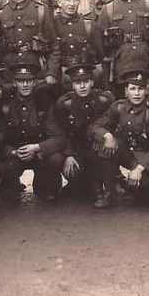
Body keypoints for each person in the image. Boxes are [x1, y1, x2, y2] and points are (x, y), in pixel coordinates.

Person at [91, 69, 149, 205]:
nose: (136, 93)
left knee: (144, 190)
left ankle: (135, 186)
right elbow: (96, 126)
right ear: (126, 91)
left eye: (140, 89)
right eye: (133, 89)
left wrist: (139, 169)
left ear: (146, 90)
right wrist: (107, 135)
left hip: (145, 155)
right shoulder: (118, 107)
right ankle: (109, 193)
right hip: (126, 153)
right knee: (103, 146)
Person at [0, 57, 68, 203]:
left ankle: (46, 185)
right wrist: (13, 152)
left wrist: (37, 148)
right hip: (17, 155)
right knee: (5, 171)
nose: (25, 85)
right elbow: (1, 138)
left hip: (40, 155)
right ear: (15, 83)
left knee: (56, 159)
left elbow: (59, 138)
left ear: (34, 82)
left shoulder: (44, 103)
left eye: (29, 81)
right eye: (20, 81)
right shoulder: (6, 105)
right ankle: (8, 186)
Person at [54, 64, 115, 207]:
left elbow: (112, 124)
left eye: (86, 82)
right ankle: (78, 185)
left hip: (98, 146)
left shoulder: (104, 100)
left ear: (92, 82)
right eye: (77, 83)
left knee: (105, 153)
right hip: (77, 150)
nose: (82, 86)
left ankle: (106, 187)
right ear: (72, 85)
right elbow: (62, 132)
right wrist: (68, 154)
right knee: (73, 173)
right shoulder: (64, 104)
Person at [0, 0, 61, 86]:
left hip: (37, 75)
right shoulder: (0, 14)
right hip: (11, 76)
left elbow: (54, 47)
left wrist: (51, 73)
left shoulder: (41, 10)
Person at [52, 0, 101, 86]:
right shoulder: (52, 25)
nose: (72, 4)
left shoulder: (88, 25)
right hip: (60, 78)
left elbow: (99, 58)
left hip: (84, 78)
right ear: (59, 2)